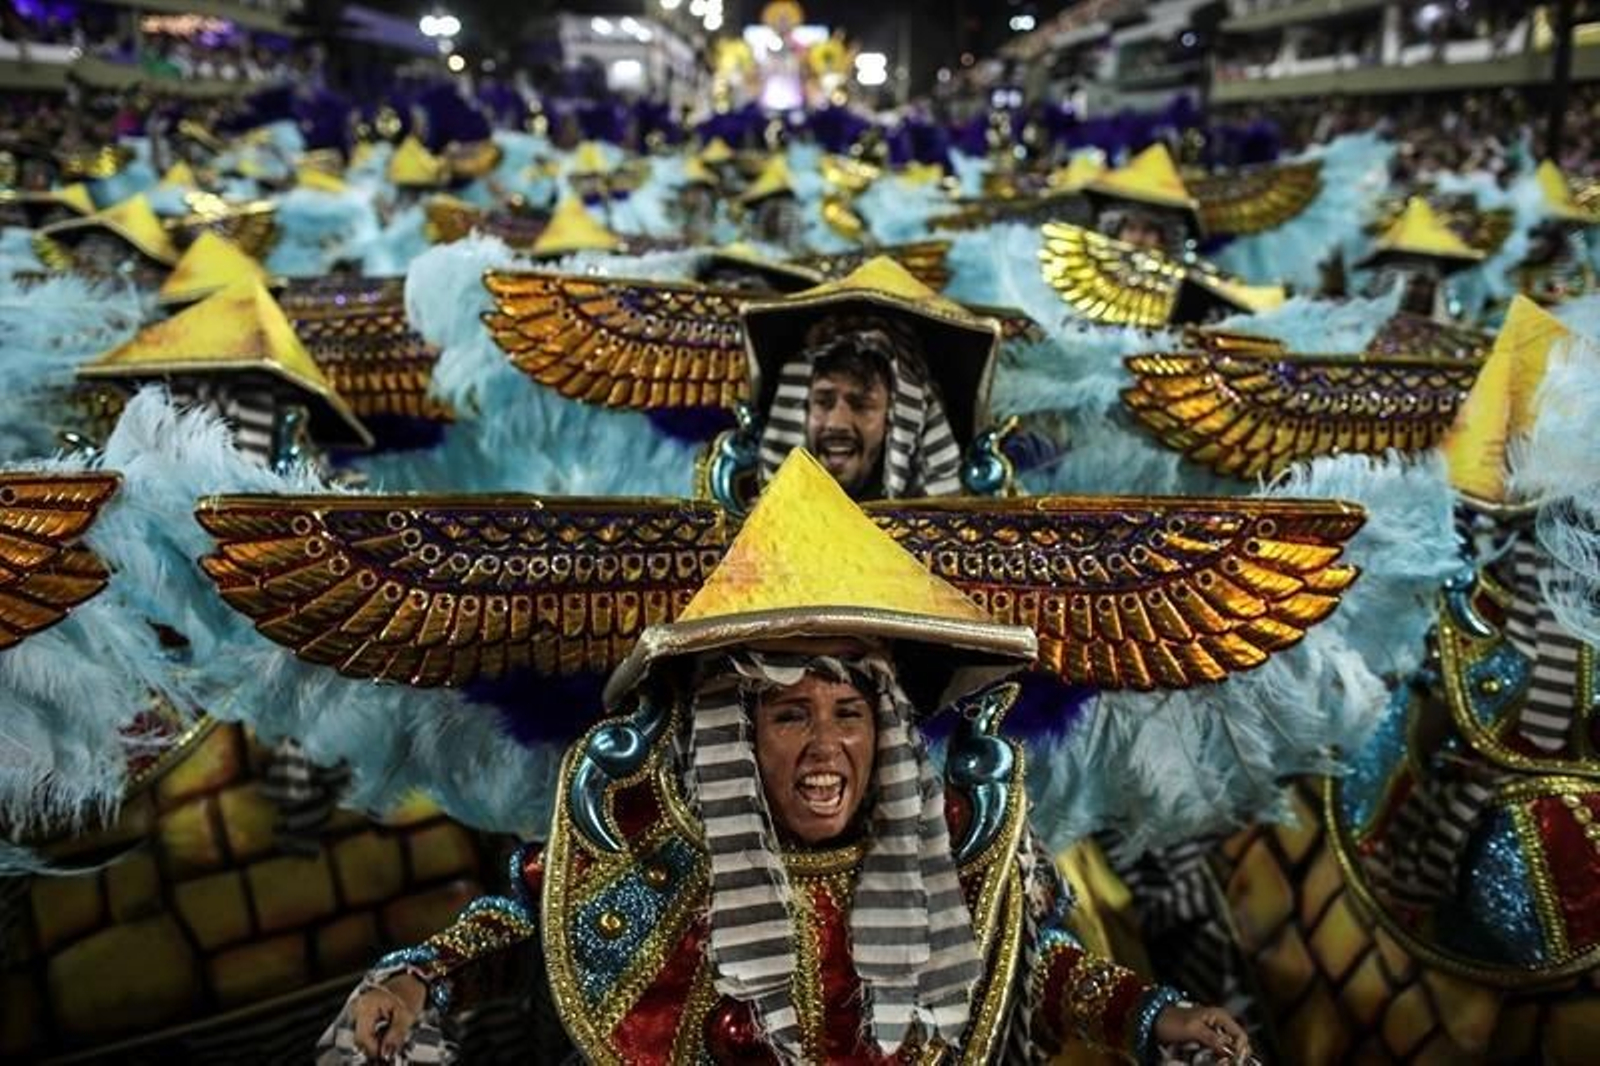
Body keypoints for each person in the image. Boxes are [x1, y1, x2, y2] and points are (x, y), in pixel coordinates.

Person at [317, 449, 1253, 1064]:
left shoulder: (951, 839)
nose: (825, 746)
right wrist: (416, 976)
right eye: (789, 715)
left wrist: (1153, 1016)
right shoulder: (656, 836)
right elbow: (532, 922)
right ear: (733, 733)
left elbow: (1031, 967)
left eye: (849, 711)